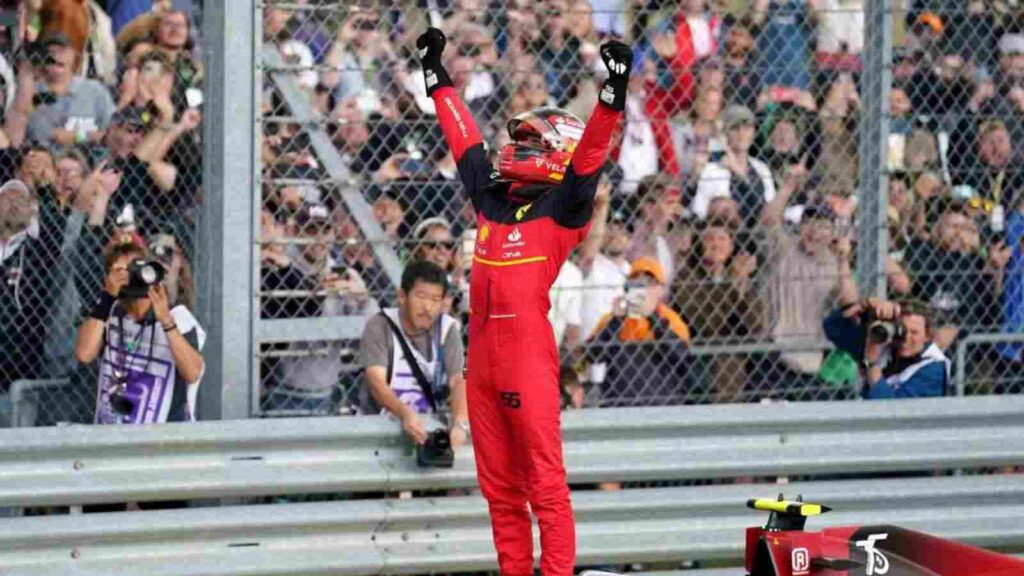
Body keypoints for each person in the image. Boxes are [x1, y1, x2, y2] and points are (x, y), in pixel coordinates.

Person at [415, 26, 632, 576]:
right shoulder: (491, 197)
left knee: (544, 484)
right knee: (498, 489)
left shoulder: (565, 208)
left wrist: (612, 92)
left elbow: (590, 156)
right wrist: (436, 76)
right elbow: (463, 140)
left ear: (554, 154)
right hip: (481, 364)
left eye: (531, 143)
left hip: (528, 361)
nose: (515, 151)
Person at [74, 241, 205, 424]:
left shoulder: (177, 317)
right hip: (113, 433)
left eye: (135, 269)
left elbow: (193, 373)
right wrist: (107, 298)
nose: (130, 276)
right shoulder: (107, 313)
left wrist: (166, 323)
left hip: (164, 439)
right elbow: (84, 354)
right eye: (121, 271)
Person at [358, 260, 467, 447]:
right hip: (379, 426)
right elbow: (376, 381)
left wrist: (460, 423)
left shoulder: (448, 329)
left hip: (428, 427)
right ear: (402, 296)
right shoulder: (380, 325)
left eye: (435, 300)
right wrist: (404, 413)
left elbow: (458, 380)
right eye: (421, 296)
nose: (428, 308)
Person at [586, 257, 692, 406]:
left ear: (661, 290)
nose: (643, 289)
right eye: (636, 283)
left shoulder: (671, 319)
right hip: (619, 403)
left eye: (650, 283)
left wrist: (653, 319)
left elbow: (682, 359)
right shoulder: (613, 318)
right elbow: (592, 356)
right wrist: (616, 321)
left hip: (664, 402)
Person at [823, 298, 949, 398]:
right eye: (901, 330)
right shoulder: (882, 343)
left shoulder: (933, 368)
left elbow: (892, 414)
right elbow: (832, 327)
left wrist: (872, 364)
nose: (905, 338)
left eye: (914, 332)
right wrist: (864, 305)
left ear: (927, 336)